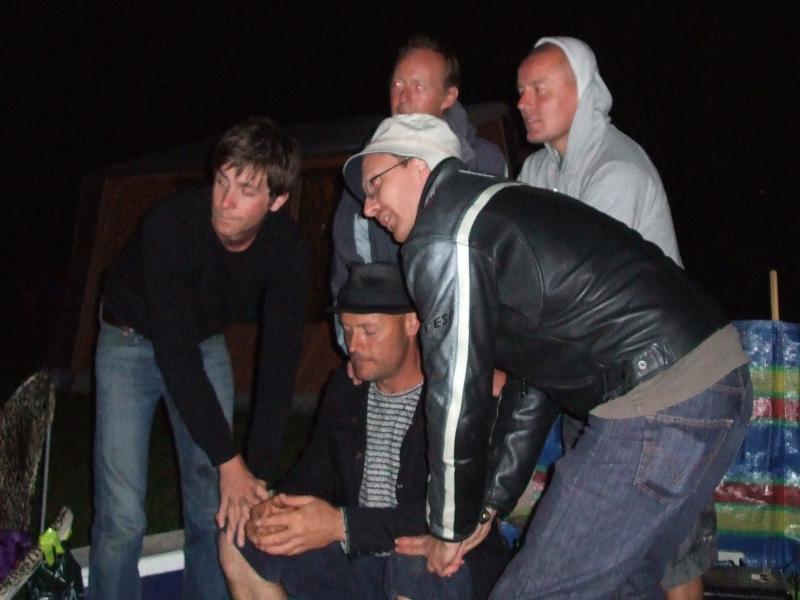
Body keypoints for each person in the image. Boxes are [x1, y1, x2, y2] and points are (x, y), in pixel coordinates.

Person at [343, 114, 752, 598]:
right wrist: (488, 503)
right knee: (625, 590)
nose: (369, 207)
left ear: (419, 166)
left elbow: (455, 390)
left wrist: (449, 526)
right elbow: (536, 378)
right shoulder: (500, 209)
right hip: (717, 383)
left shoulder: (445, 232)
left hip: (656, 397)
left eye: (375, 184)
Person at [516, 37, 712, 598]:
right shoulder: (536, 170)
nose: (524, 102)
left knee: (673, 543)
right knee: (605, 542)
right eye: (521, 90)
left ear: (581, 91)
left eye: (540, 89)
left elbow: (572, 295)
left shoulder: (617, 170)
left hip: (666, 382)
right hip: (596, 383)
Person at [89, 117, 311, 600]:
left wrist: (254, 472)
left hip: (203, 342)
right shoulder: (169, 226)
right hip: (128, 340)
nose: (225, 201)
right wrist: (228, 460)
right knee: (123, 516)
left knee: (214, 506)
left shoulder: (287, 253)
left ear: (276, 201)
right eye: (222, 181)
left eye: (246, 190)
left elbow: (279, 366)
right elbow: (175, 355)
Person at [218, 262, 508, 600]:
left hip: (437, 560)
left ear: (412, 322)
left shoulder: (453, 397)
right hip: (359, 559)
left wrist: (340, 525)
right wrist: (275, 509)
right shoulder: (347, 388)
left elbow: (451, 511)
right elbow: (315, 472)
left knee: (414, 573)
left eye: (369, 331)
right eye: (347, 330)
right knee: (238, 540)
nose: (354, 345)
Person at [330, 36, 507, 318]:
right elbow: (348, 275)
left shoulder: (484, 163)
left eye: (418, 86)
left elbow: (501, 265)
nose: (403, 97)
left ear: (449, 96)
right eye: (397, 84)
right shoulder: (366, 169)